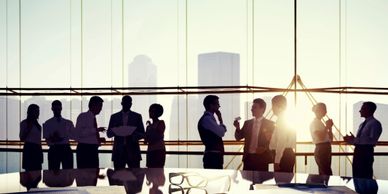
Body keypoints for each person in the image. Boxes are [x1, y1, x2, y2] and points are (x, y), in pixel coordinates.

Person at [343, 101, 382, 179]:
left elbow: (371, 141)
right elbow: (363, 140)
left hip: (366, 152)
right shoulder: (362, 124)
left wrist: (355, 139)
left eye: (362, 109)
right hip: (358, 151)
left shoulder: (375, 123)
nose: (360, 111)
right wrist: (352, 140)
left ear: (369, 110)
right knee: (357, 173)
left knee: (365, 174)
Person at [234, 98, 275, 171]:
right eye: (252, 107)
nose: (252, 109)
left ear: (262, 109)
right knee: (247, 181)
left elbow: (273, 141)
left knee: (260, 181)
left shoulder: (270, 124)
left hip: (262, 158)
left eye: (254, 107)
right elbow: (238, 137)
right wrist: (237, 128)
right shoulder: (247, 123)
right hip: (248, 158)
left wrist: (265, 148)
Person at [107, 95, 145, 169]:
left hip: (133, 151)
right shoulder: (114, 117)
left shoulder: (137, 116)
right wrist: (116, 130)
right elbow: (109, 134)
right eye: (125, 102)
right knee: (118, 178)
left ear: (131, 104)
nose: (127, 104)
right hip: (119, 151)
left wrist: (132, 134)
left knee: (135, 177)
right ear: (121, 103)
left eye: (129, 102)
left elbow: (142, 133)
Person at [74, 96, 105, 169]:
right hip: (85, 149)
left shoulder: (92, 117)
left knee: (94, 174)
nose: (101, 108)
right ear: (93, 105)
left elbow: (87, 135)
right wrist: (96, 130)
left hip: (93, 149)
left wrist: (98, 139)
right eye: (100, 106)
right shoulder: (83, 116)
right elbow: (80, 133)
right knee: (83, 174)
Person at [43, 100, 75, 170]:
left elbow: (74, 136)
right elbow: (48, 142)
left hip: (58, 149)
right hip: (60, 149)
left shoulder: (48, 123)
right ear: (52, 109)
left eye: (58, 108)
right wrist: (64, 136)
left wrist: (54, 139)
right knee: (66, 174)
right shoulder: (68, 123)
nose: (57, 110)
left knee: (64, 174)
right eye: (55, 109)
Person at [197, 95, 227, 169]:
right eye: (217, 104)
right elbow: (221, 132)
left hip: (213, 156)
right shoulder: (207, 119)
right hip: (213, 157)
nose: (219, 106)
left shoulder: (209, 119)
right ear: (211, 105)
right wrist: (221, 121)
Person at [269, 95, 296, 173]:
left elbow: (281, 141)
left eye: (273, 105)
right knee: (284, 182)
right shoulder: (286, 118)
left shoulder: (282, 120)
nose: (272, 109)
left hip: (283, 156)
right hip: (286, 154)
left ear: (279, 106)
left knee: (281, 182)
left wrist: (277, 161)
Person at [309, 103, 333, 176]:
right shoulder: (315, 123)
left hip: (325, 148)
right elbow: (321, 137)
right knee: (326, 171)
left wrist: (330, 127)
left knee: (325, 171)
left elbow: (330, 139)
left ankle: (325, 186)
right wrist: (327, 127)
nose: (325, 112)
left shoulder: (320, 123)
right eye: (324, 110)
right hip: (321, 148)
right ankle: (327, 186)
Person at [20, 104, 43, 171]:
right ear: (31, 112)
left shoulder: (37, 124)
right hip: (29, 148)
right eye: (36, 111)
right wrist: (29, 127)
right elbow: (22, 138)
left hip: (37, 148)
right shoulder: (24, 123)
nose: (38, 113)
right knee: (29, 172)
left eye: (38, 111)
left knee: (37, 171)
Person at [145, 103, 166, 168]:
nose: (150, 112)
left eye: (152, 111)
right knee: (150, 172)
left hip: (158, 151)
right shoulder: (148, 126)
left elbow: (157, 136)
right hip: (151, 150)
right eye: (150, 110)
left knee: (158, 171)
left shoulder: (161, 123)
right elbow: (146, 140)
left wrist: (150, 126)